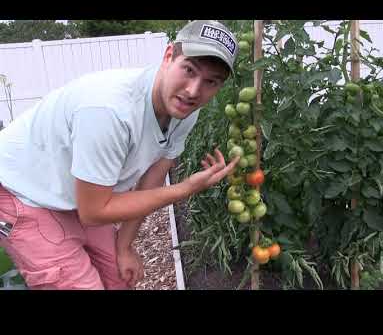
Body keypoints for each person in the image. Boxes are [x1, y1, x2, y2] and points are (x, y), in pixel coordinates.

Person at [0, 20, 240, 290]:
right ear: (168, 56)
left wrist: (125, 246)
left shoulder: (184, 110)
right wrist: (185, 189)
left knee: (119, 278)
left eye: (211, 82)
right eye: (189, 70)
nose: (194, 90)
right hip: (24, 191)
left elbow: (156, 173)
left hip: (76, 191)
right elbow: (94, 211)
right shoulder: (110, 111)